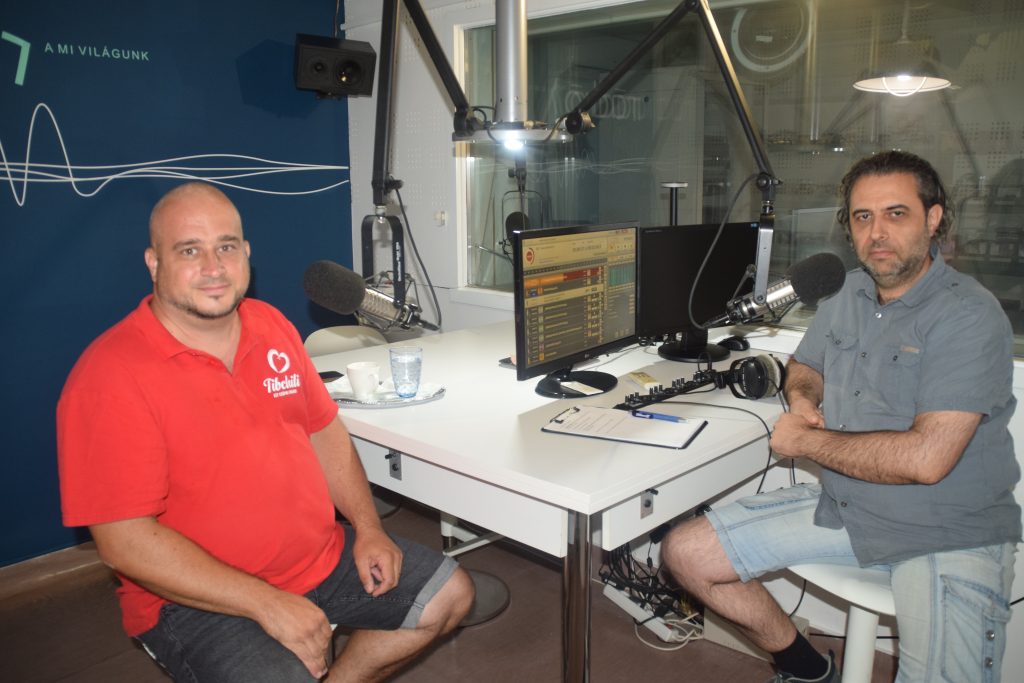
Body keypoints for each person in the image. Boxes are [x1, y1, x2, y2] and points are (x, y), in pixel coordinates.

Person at [56, 182, 474, 682]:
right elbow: (123, 541)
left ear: (247, 254)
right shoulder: (109, 375)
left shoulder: (271, 325)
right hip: (194, 601)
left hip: (317, 559)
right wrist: (268, 603)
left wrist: (368, 528)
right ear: (154, 262)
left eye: (226, 247)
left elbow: (324, 432)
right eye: (189, 250)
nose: (213, 267)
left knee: (450, 596)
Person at [662, 150, 1020, 682]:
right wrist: (804, 401)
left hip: (948, 528)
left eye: (896, 214)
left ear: (934, 219)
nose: (877, 233)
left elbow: (927, 460)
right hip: (851, 506)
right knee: (685, 553)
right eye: (862, 216)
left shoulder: (968, 314)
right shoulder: (848, 291)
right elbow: (805, 366)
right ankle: (809, 670)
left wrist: (804, 442)